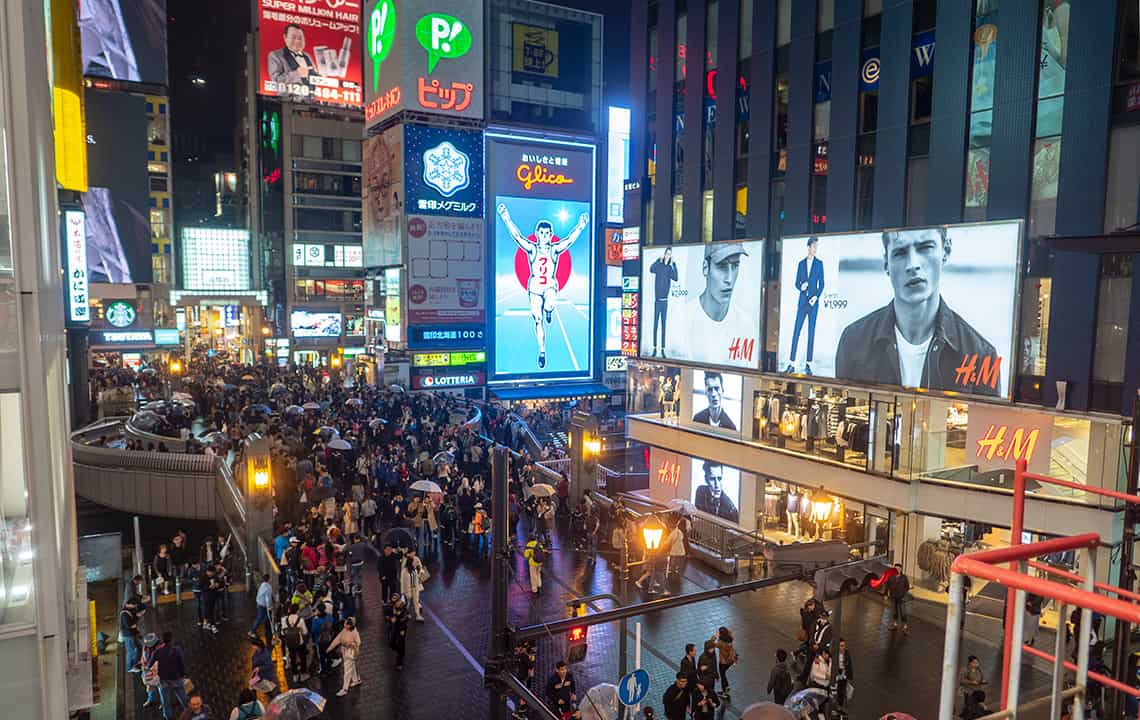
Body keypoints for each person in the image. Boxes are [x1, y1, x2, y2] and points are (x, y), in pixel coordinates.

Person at [834, 227, 1000, 395]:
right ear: (886, 263)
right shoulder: (853, 341)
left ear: (946, 250)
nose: (913, 265)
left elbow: (985, 419)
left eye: (925, 247)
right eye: (900, 253)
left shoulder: (983, 355)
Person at [496, 202, 591, 369]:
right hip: (534, 288)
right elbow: (517, 237)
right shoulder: (532, 249)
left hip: (549, 286)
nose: (545, 236)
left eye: (547, 233)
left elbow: (569, 241)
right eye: (542, 233)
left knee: (549, 304)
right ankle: (542, 352)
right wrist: (506, 218)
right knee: (538, 320)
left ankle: (549, 310)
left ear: (551, 234)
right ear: (537, 234)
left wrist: (580, 226)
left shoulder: (554, 250)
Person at [667, 243, 754, 365]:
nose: (729, 279)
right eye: (722, 266)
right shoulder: (681, 320)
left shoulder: (746, 324)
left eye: (735, 266)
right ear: (705, 268)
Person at [786, 236, 824, 374]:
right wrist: (801, 286)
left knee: (811, 333)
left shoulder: (819, 264)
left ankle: (808, 364)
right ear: (808, 247)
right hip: (802, 303)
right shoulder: (801, 264)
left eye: (816, 247)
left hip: (813, 304)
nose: (815, 249)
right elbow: (797, 282)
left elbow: (822, 284)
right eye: (814, 246)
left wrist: (815, 297)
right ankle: (792, 363)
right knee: (796, 331)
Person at [266, 23, 319, 92]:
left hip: (312, 100)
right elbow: (275, 80)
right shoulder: (275, 55)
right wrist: (297, 74)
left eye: (300, 38)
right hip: (286, 100)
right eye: (293, 37)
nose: (297, 41)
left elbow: (314, 77)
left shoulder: (307, 55)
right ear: (285, 38)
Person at [649, 247, 678, 357]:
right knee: (655, 325)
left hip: (665, 301)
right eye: (667, 254)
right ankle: (654, 348)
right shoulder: (659, 266)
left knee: (663, 325)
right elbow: (651, 269)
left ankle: (663, 349)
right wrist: (658, 260)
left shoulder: (670, 269)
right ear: (664, 254)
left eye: (670, 254)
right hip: (657, 301)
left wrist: (674, 264)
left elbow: (676, 278)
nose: (668, 256)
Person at [155, 631, 190, 720]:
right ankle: (189, 712)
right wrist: (183, 675)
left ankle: (168, 717)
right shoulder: (177, 650)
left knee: (165, 701)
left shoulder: (158, 652)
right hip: (176, 678)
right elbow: (181, 664)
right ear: (171, 640)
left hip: (164, 680)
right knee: (183, 697)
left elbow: (151, 663)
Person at [328, 617, 362, 696]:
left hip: (350, 653)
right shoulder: (345, 630)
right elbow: (338, 639)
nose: (344, 624)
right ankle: (356, 680)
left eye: (346, 623)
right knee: (351, 666)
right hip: (345, 651)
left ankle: (345, 689)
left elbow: (358, 643)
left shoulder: (354, 632)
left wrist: (350, 644)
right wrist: (330, 648)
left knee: (347, 670)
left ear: (349, 626)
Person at [280, 602, 310, 682]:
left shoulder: (284, 620)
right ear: (297, 610)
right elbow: (305, 632)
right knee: (302, 657)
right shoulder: (300, 620)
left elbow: (282, 633)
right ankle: (303, 674)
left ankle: (295, 675)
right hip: (299, 642)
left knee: (292, 658)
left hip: (289, 643)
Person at [399, 549, 426, 622]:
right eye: (414, 563)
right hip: (407, 589)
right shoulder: (405, 571)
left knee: (416, 601)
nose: (415, 564)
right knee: (407, 602)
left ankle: (418, 615)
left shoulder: (414, 570)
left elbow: (418, 575)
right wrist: (403, 592)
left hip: (415, 588)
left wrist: (421, 572)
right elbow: (402, 582)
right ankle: (406, 613)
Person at [387, 593, 409, 670]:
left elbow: (407, 617)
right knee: (391, 643)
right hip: (394, 628)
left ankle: (399, 663)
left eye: (397, 601)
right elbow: (387, 616)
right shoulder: (391, 607)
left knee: (401, 644)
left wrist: (403, 629)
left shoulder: (403, 608)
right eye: (394, 602)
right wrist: (390, 619)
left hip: (401, 628)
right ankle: (400, 652)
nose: (396, 604)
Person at [249, 574, 273, 645]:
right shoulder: (268, 587)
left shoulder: (262, 585)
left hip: (259, 603)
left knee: (265, 617)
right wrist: (269, 606)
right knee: (259, 618)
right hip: (263, 605)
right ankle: (252, 631)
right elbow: (268, 598)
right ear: (268, 579)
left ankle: (268, 628)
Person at [886, 563, 911, 633]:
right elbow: (887, 585)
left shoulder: (904, 577)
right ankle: (895, 625)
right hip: (893, 597)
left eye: (899, 569)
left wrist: (903, 594)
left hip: (901, 598)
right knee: (894, 612)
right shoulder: (891, 576)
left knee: (903, 612)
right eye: (896, 569)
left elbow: (907, 587)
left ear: (901, 569)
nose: (897, 570)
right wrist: (886, 594)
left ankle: (905, 627)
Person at [713, 626, 737, 697]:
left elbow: (711, 644)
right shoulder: (730, 639)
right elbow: (730, 632)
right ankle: (727, 687)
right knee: (724, 674)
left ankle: (724, 692)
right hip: (730, 661)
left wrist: (715, 636)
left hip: (723, 662)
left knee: (722, 676)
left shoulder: (721, 643)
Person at [835, 637, 854, 708]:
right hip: (836, 674)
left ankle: (839, 706)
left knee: (841, 691)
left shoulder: (847, 652)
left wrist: (850, 676)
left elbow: (849, 664)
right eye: (841, 646)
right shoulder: (834, 654)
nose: (843, 648)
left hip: (843, 674)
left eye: (843, 646)